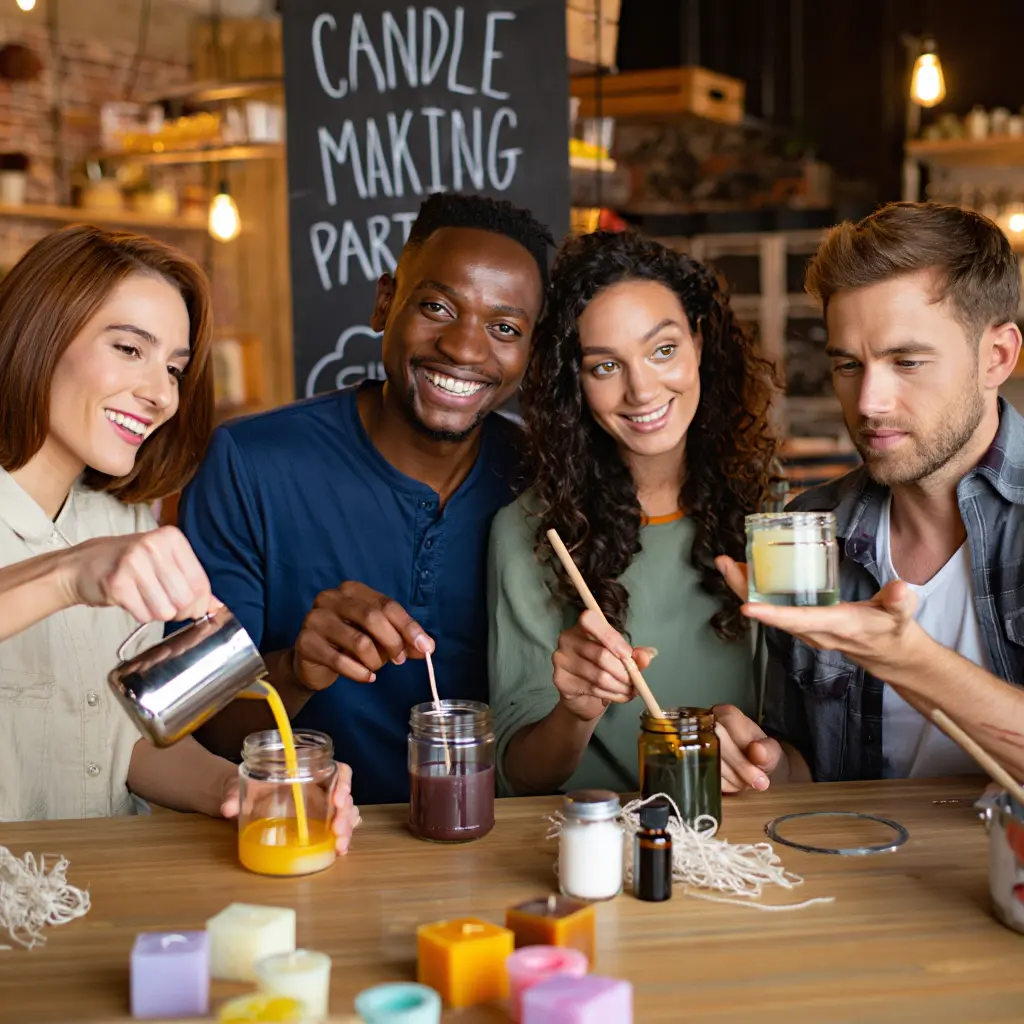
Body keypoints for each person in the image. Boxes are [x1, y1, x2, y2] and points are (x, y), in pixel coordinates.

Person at [178, 193, 553, 805]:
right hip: (302, 836)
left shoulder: (544, 480)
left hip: (493, 846)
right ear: (385, 303)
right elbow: (199, 729)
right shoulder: (249, 464)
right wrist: (298, 668)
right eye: (436, 306)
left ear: (531, 352)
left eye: (504, 328)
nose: (463, 348)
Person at [0, 226, 359, 849]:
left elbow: (121, 744)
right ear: (41, 331)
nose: (161, 393)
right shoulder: (96, 554)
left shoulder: (120, 516)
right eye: (129, 349)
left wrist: (252, 791)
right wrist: (66, 576)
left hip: (95, 889)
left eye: (174, 368)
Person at [713, 201, 1024, 790]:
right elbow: (810, 768)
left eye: (906, 361)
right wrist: (760, 764)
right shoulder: (807, 527)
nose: (868, 403)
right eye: (849, 365)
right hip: (860, 874)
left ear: (997, 356)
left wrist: (912, 664)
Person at [488, 230, 777, 795]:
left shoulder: (774, 514)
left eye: (663, 349)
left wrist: (770, 761)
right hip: (593, 842)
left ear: (698, 342)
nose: (641, 389)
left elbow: (811, 750)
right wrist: (577, 711)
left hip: (744, 841)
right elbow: (517, 777)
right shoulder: (529, 533)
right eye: (604, 367)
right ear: (575, 381)